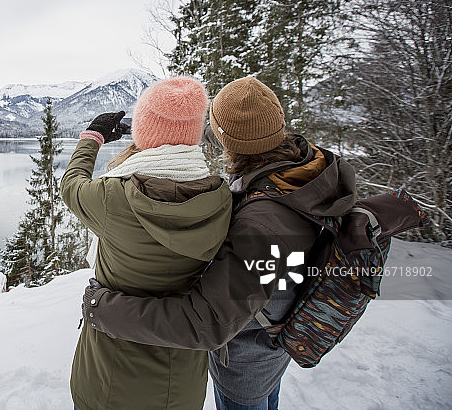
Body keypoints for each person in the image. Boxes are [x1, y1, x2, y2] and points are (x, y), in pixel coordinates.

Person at [81, 76, 357, 410]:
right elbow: (235, 133)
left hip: (247, 364)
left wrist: (104, 309)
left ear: (230, 141)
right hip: (271, 341)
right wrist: (153, 130)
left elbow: (206, 323)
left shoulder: (265, 224)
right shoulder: (300, 168)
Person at [61, 76, 233, 410]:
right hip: (183, 379)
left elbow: (71, 185)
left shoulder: (114, 198)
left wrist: (93, 136)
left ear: (144, 133)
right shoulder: (222, 199)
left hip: (110, 377)